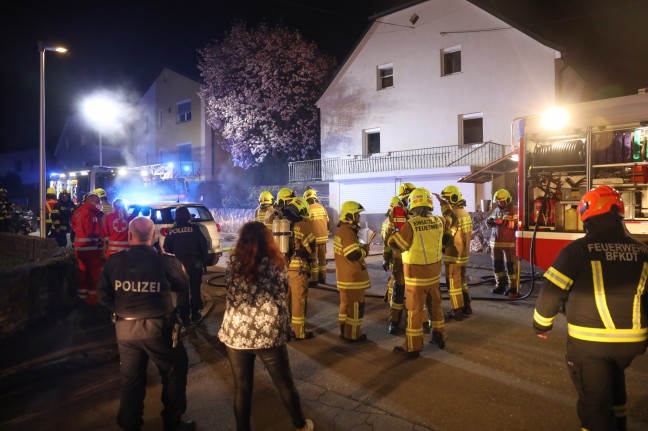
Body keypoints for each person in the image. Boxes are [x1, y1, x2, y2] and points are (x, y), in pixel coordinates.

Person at [533, 185, 648, 431]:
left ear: (588, 213)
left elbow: (552, 291)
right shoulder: (643, 250)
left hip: (590, 344)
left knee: (594, 405)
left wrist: (541, 324)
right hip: (632, 343)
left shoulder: (577, 251)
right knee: (615, 386)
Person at [97, 216, 196, 431]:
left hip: (125, 330)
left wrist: (120, 308)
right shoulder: (166, 261)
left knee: (131, 380)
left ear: (129, 235)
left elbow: (102, 296)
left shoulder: (114, 261)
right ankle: (172, 423)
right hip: (159, 328)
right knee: (174, 372)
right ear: (153, 236)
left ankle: (130, 425)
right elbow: (182, 285)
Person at [218, 221, 314, 431]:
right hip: (267, 334)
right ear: (267, 240)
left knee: (242, 389)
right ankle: (300, 425)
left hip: (236, 334)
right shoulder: (276, 264)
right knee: (285, 385)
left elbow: (228, 290)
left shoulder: (232, 265)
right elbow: (283, 291)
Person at [388, 187, 450, 358]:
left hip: (416, 278)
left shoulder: (410, 225)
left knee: (415, 313)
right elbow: (450, 220)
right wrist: (444, 204)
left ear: (413, 204)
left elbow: (398, 245)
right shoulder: (439, 221)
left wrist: (392, 235)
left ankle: (413, 346)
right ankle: (439, 337)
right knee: (436, 308)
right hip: (434, 277)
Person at [333, 201, 373, 342]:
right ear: (350, 215)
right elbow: (352, 254)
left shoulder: (342, 230)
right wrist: (365, 250)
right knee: (355, 307)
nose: (359, 217)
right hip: (352, 278)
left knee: (345, 306)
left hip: (344, 277)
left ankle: (344, 331)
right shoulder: (347, 232)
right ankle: (353, 335)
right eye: (357, 214)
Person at [163, 206, 208, 324]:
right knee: (195, 288)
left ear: (176, 217)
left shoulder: (171, 231)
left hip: (179, 265)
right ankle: (195, 313)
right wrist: (203, 261)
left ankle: (184, 316)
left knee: (182, 290)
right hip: (195, 263)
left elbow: (166, 248)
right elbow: (203, 246)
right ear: (188, 215)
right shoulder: (196, 229)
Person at [435, 185, 472, 321]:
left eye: (447, 198)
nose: (446, 201)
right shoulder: (465, 213)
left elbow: (448, 235)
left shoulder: (454, 215)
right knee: (461, 281)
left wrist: (440, 247)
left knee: (453, 283)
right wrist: (441, 202)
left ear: (454, 198)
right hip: (464, 254)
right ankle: (467, 306)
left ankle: (457, 310)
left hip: (454, 254)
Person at [284, 197, 316, 340]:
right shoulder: (302, 225)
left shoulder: (282, 224)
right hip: (298, 269)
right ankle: (298, 332)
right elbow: (311, 248)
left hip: (283, 267)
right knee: (298, 301)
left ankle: (283, 330)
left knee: (284, 300)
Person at [71, 193, 104, 304]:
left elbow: (74, 227)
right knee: (94, 274)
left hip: (80, 248)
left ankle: (82, 297)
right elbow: (91, 232)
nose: (100, 204)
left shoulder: (78, 211)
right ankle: (93, 301)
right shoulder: (90, 213)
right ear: (92, 202)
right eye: (98, 201)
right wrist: (99, 241)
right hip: (90, 248)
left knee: (83, 273)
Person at [486, 188, 519, 298]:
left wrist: (503, 222)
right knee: (497, 266)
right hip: (495, 245)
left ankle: (513, 288)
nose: (500, 204)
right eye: (498, 202)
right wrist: (489, 222)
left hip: (509, 244)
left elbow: (517, 226)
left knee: (510, 267)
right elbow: (490, 223)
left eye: (501, 201)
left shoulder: (514, 210)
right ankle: (500, 285)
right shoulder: (496, 210)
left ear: (508, 200)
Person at [381, 196, 407, 335]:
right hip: (405, 259)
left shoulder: (387, 222)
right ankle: (398, 321)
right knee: (404, 291)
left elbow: (386, 243)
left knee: (396, 288)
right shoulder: (404, 221)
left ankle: (394, 322)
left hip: (395, 259)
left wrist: (386, 258)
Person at [303, 188, 329, 286]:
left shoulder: (307, 209)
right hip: (323, 238)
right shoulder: (322, 208)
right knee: (322, 260)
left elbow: (304, 224)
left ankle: (314, 281)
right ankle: (323, 278)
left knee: (313, 260)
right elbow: (328, 221)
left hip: (313, 239)